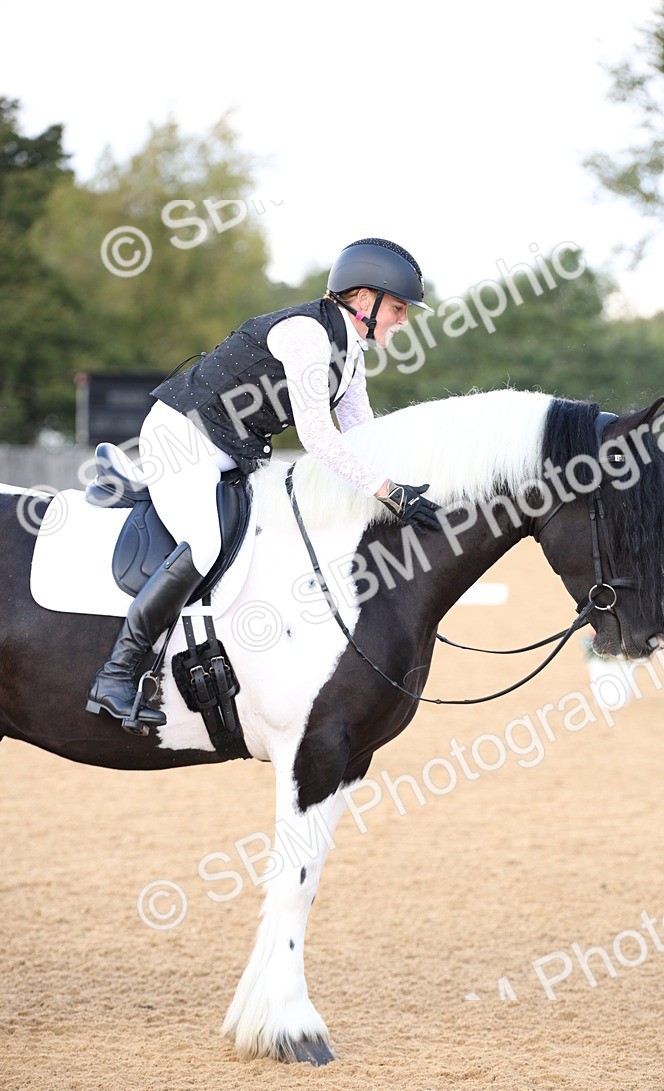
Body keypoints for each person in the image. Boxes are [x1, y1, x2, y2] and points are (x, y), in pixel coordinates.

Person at [85, 237, 441, 733]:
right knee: (206, 545)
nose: (402, 320)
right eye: (399, 308)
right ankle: (116, 674)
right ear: (365, 301)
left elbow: (362, 434)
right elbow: (318, 436)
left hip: (234, 453)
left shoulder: (351, 352)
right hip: (182, 439)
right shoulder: (307, 335)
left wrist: (414, 478)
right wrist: (388, 491)